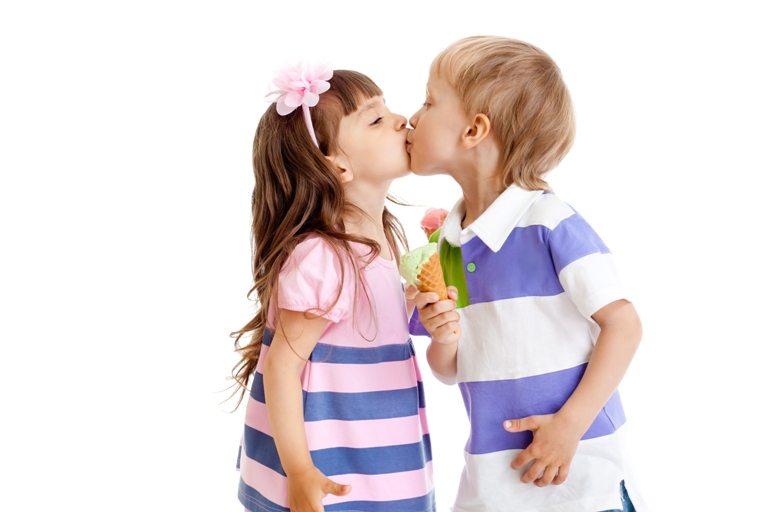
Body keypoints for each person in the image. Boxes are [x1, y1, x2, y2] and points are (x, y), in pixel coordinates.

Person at [407, 36, 643, 511]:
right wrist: (445, 337)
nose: (412, 117)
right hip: (493, 482)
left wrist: (569, 426)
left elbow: (624, 325)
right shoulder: (447, 242)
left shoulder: (549, 221)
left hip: (579, 476)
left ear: (474, 130)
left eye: (429, 101)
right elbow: (449, 370)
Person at [232, 65, 434, 512]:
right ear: (337, 165)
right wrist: (301, 473)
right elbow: (283, 368)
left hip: (378, 459)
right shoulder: (324, 256)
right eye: (376, 119)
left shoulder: (380, 239)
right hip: (331, 471)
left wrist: (416, 304)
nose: (402, 120)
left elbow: (365, 330)